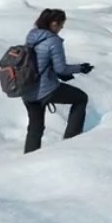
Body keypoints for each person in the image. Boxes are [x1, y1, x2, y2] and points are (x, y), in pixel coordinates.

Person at [21, 8, 94, 153]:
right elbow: (61, 68)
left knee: (35, 128)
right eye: (61, 24)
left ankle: (28, 159)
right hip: (45, 89)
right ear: (53, 23)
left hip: (27, 90)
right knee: (80, 98)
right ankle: (71, 141)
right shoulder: (53, 41)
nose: (62, 28)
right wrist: (80, 68)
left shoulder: (32, 36)